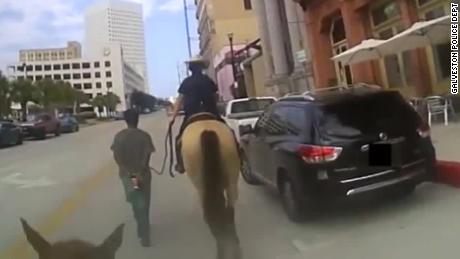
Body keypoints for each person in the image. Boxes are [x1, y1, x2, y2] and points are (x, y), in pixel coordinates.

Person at [170, 55, 225, 174]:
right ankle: (239, 154)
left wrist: (173, 118)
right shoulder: (208, 80)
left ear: (190, 68)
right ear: (201, 68)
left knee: (179, 140)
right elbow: (215, 97)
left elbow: (179, 101)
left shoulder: (186, 82)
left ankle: (180, 164)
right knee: (228, 131)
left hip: (191, 116)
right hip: (211, 113)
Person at [111, 109, 155, 247]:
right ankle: (144, 232)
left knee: (136, 203)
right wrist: (140, 170)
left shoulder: (119, 136)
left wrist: (127, 171)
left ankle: (142, 229)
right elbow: (147, 155)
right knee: (145, 203)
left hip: (127, 176)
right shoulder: (144, 136)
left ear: (125, 120)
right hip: (143, 175)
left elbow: (116, 156)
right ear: (137, 119)